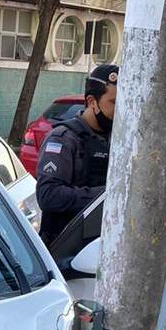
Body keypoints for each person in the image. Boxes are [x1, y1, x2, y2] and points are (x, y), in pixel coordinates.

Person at [35, 63, 117, 247]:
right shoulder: (63, 138)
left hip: (99, 245)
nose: (119, 109)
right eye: (113, 102)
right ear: (91, 101)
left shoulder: (118, 139)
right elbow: (48, 195)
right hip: (65, 247)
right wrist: (105, 197)